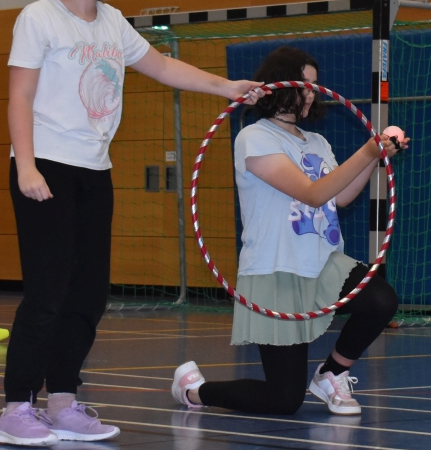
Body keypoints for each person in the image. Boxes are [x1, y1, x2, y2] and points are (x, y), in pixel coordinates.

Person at [0, 0, 262, 447]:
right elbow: (19, 96)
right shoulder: (39, 18)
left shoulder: (113, 23)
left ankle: (63, 401)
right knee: (47, 293)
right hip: (46, 166)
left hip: (95, 171)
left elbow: (162, 67)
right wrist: (25, 166)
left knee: (88, 296)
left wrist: (226, 86)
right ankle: (16, 408)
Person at [172, 46, 401, 417]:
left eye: (313, 86)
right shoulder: (254, 138)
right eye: (304, 85)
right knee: (283, 399)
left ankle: (332, 373)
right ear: (281, 85)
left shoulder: (317, 142)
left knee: (380, 300)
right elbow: (312, 194)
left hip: (323, 262)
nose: (311, 93)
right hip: (275, 269)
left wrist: (375, 158)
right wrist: (367, 151)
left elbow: (340, 197)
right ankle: (195, 391)